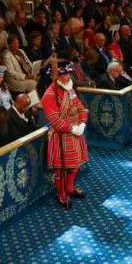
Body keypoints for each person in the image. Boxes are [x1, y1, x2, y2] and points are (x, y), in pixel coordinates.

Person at [41, 60, 89, 208]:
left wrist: (82, 123)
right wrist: (73, 128)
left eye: (69, 73)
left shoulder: (70, 90)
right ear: (56, 76)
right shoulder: (48, 96)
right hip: (61, 136)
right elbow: (55, 121)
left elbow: (81, 108)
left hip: (75, 132)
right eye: (65, 74)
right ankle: (61, 194)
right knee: (60, 169)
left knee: (75, 165)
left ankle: (70, 188)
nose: (68, 77)